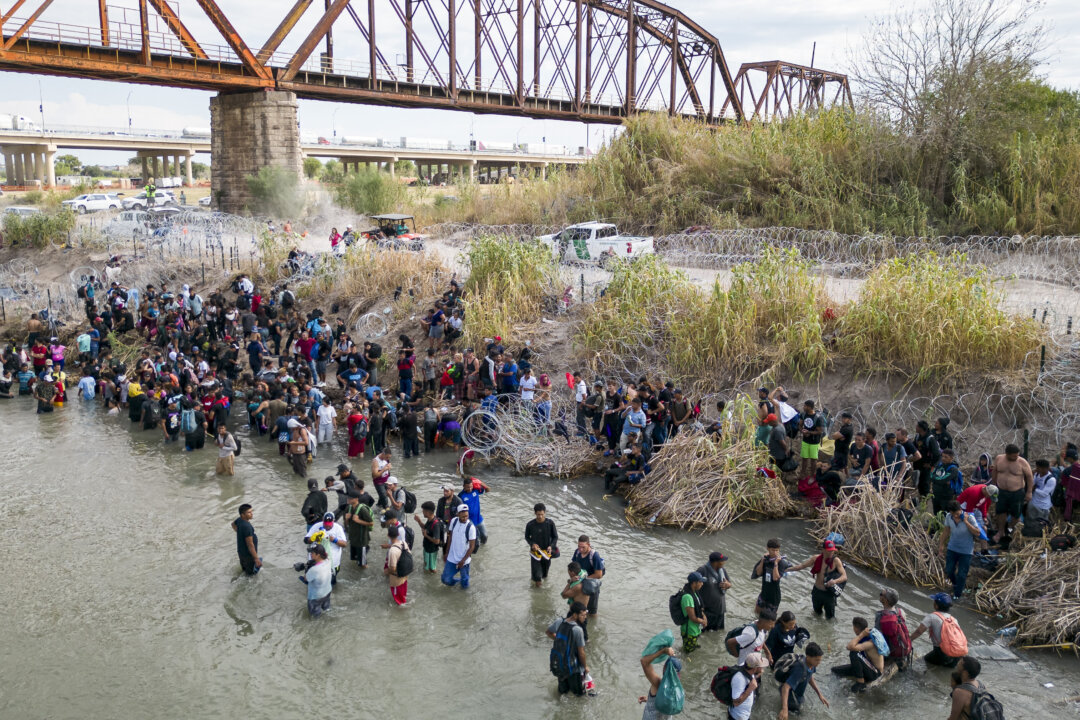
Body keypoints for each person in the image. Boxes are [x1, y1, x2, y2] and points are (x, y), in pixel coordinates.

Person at [790, 539, 847, 619]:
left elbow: (844, 576)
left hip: (829, 594)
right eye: (829, 551)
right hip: (817, 592)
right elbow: (801, 566)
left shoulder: (836, 561)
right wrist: (786, 570)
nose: (831, 553)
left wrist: (835, 581)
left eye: (833, 551)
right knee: (816, 614)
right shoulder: (816, 558)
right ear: (823, 550)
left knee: (830, 618)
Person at [830, 616, 885, 692]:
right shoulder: (865, 637)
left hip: (875, 673)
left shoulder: (869, 642)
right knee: (835, 670)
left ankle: (860, 682)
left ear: (855, 628)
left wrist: (861, 635)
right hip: (867, 666)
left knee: (854, 652)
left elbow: (850, 647)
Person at [546, 601, 590, 696]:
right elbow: (581, 653)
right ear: (575, 615)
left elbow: (548, 632)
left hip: (560, 665)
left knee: (562, 694)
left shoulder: (559, 621)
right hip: (574, 668)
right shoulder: (577, 630)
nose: (585, 617)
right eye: (582, 615)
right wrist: (585, 667)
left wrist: (561, 642)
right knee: (579, 696)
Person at [940, 501, 981, 600]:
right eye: (954, 514)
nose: (956, 516)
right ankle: (956, 585)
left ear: (960, 510)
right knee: (949, 570)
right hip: (952, 548)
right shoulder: (949, 517)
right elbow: (946, 531)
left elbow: (978, 533)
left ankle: (957, 595)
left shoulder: (970, 518)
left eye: (957, 514)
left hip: (966, 551)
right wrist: (941, 545)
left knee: (962, 574)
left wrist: (966, 522)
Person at [910, 593, 964, 667]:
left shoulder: (932, 617)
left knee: (921, 662)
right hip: (957, 654)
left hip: (942, 653)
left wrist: (909, 640)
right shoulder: (953, 619)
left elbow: (919, 631)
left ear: (936, 605)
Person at [778, 642, 828, 720]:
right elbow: (785, 687)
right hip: (790, 692)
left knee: (800, 708)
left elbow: (809, 677)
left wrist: (819, 694)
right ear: (808, 657)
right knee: (795, 713)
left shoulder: (812, 665)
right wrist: (785, 709)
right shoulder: (800, 669)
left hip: (797, 692)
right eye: (817, 660)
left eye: (819, 660)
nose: (819, 662)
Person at [875, 586, 914, 669]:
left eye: (881, 594)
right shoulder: (900, 611)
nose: (880, 595)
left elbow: (878, 637)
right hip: (904, 648)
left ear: (885, 600)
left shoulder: (880, 615)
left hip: (891, 652)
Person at [639, 645, 679, 720]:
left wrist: (663, 651)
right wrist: (650, 700)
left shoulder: (658, 684)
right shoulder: (678, 689)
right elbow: (666, 705)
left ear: (664, 668)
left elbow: (644, 661)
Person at [752, 538, 792, 612]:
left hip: (774, 597)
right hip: (764, 593)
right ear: (767, 549)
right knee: (756, 613)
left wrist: (776, 563)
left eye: (777, 550)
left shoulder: (782, 563)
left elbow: (775, 578)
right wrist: (762, 561)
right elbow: (758, 573)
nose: (775, 553)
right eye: (773, 550)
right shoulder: (766, 560)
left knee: (770, 619)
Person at [442, 504, 477, 589]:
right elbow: (450, 538)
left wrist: (463, 560)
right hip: (452, 557)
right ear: (457, 514)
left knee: (464, 584)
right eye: (462, 517)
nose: (465, 518)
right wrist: (446, 553)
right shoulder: (453, 521)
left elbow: (472, 547)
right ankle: (458, 582)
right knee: (445, 579)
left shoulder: (471, 527)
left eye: (466, 516)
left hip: (464, 559)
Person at [306, 512, 347, 582]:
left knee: (330, 584)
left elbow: (344, 544)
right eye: (326, 524)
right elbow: (306, 540)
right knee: (311, 582)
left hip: (332, 563)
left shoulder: (338, 528)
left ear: (333, 521)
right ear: (323, 520)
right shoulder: (316, 526)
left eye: (329, 524)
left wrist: (334, 540)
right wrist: (314, 538)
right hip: (315, 561)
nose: (327, 526)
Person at [525, 503, 558, 587]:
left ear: (545, 513)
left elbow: (555, 537)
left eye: (542, 514)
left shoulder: (550, 523)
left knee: (545, 575)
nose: (540, 516)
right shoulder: (530, 525)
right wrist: (532, 544)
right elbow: (527, 537)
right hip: (535, 554)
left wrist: (551, 546)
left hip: (546, 553)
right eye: (538, 514)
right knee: (537, 577)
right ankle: (537, 591)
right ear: (535, 513)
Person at [696, 551, 732, 631]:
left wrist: (728, 585)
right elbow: (693, 588)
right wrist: (699, 610)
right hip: (707, 612)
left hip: (720, 610)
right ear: (716, 562)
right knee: (704, 636)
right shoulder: (702, 570)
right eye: (722, 561)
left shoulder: (722, 570)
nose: (724, 562)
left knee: (718, 633)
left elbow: (729, 583)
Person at [571, 535, 606, 615]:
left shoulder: (594, 556)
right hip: (580, 583)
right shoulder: (577, 553)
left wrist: (584, 578)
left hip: (592, 585)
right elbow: (574, 566)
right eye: (579, 546)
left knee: (592, 612)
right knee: (578, 609)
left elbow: (599, 574)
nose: (580, 549)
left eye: (583, 547)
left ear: (588, 545)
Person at [729, 652, 768, 720]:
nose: (762, 667)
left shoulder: (747, 669)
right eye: (761, 665)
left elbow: (750, 677)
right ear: (755, 668)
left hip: (744, 715)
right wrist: (750, 689)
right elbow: (735, 703)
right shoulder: (739, 679)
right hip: (738, 717)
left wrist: (758, 674)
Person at [678, 572, 708, 653]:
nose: (702, 584)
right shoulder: (687, 597)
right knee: (688, 654)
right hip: (689, 631)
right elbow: (692, 617)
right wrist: (703, 621)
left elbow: (700, 608)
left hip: (695, 629)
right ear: (694, 583)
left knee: (693, 650)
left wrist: (704, 617)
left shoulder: (695, 593)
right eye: (700, 582)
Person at [301, 543, 332, 617]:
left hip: (315, 597)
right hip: (327, 593)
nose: (310, 554)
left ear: (318, 555)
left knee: (315, 619)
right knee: (327, 612)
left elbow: (306, 578)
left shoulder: (314, 570)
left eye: (312, 553)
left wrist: (304, 568)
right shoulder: (328, 561)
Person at [344, 492, 374, 568]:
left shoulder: (362, 510)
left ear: (356, 499)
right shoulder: (349, 508)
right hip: (353, 539)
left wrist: (358, 521)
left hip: (361, 540)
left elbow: (371, 523)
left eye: (350, 498)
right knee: (355, 559)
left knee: (363, 564)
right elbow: (347, 524)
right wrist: (347, 519)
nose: (348, 499)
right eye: (348, 498)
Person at [414, 501, 444, 574]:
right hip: (427, 548)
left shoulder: (436, 524)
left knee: (432, 568)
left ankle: (434, 582)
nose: (422, 512)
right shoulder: (430, 519)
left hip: (432, 550)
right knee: (426, 565)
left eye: (423, 511)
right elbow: (426, 528)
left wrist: (426, 536)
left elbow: (437, 541)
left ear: (427, 512)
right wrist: (419, 521)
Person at [460, 476, 490, 548]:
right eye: (467, 487)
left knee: (485, 536)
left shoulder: (476, 490)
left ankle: (483, 550)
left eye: (471, 486)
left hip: (479, 519)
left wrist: (480, 482)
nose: (470, 489)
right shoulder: (461, 496)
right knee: (475, 541)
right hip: (469, 521)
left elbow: (488, 489)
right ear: (463, 486)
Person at [930, 448, 962, 515]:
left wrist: (936, 479)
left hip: (946, 496)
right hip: (935, 494)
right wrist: (939, 479)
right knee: (936, 514)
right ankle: (936, 525)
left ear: (951, 458)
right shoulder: (939, 465)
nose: (943, 458)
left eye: (946, 457)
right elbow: (931, 476)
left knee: (945, 514)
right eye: (942, 456)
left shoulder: (953, 469)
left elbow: (943, 479)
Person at [231, 504, 261, 575]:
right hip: (249, 556)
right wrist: (256, 559)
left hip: (241, 553)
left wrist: (239, 533)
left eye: (251, 511)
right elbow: (250, 545)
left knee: (245, 571)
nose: (251, 514)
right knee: (251, 576)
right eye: (249, 512)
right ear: (243, 515)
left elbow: (232, 524)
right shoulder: (247, 527)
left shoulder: (239, 520)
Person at [798, 400, 825, 477]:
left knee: (813, 460)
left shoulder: (817, 418)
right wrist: (802, 431)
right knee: (804, 458)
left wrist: (808, 432)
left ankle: (812, 475)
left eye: (805, 406)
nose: (803, 407)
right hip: (805, 441)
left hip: (814, 442)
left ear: (810, 407)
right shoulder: (803, 415)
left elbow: (819, 431)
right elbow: (800, 425)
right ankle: (803, 473)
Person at [1028, 459, 1056, 525]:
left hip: (1043, 506)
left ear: (1044, 468)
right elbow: (1032, 484)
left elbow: (1044, 494)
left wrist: (1035, 489)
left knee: (1041, 524)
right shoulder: (1037, 474)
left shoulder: (1051, 479)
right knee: (1032, 523)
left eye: (1038, 467)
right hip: (1033, 503)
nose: (1036, 469)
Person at [384, 528, 409, 606]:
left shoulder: (392, 551)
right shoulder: (404, 543)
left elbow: (393, 568)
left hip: (396, 579)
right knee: (403, 596)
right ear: (398, 535)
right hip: (404, 575)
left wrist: (386, 571)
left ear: (388, 536)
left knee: (399, 601)